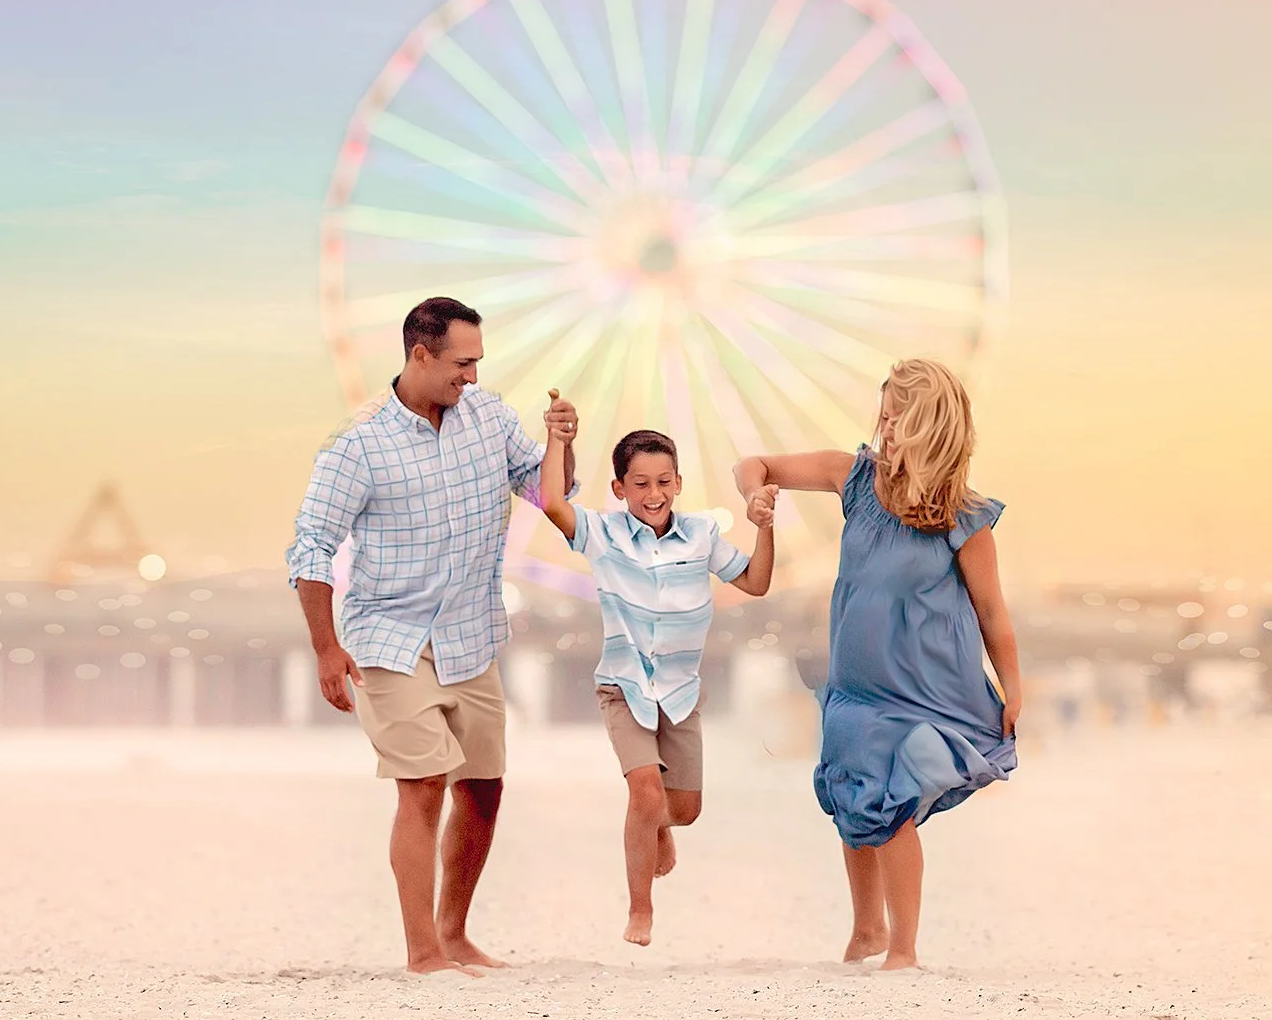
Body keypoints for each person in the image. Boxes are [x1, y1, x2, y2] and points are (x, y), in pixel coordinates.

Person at [287, 296, 578, 976]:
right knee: (422, 783)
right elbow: (311, 548)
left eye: (478, 362)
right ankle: (422, 952)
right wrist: (327, 649)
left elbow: (547, 495)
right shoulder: (356, 447)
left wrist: (562, 441)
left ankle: (454, 934)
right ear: (420, 354)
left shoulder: (490, 417)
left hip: (470, 633)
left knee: (483, 787)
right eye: (461, 363)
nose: (472, 376)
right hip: (389, 638)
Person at [733, 358, 1020, 971]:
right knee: (851, 797)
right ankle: (866, 929)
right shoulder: (853, 478)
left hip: (922, 688)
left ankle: (903, 947)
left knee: (889, 806)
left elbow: (993, 613)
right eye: (883, 417)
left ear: (931, 429)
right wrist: (754, 494)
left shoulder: (965, 521)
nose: (884, 431)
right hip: (855, 683)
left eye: (897, 421)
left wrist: (1012, 686)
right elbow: (755, 463)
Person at [538, 408, 777, 946]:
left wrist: (765, 528)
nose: (654, 493)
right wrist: (556, 439)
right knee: (645, 794)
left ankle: (660, 827)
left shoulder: (701, 534)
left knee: (683, 810)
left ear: (679, 484)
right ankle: (640, 910)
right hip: (622, 686)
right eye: (641, 483)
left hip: (681, 692)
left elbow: (757, 583)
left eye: (664, 482)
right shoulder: (601, 533)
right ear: (619, 487)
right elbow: (552, 501)